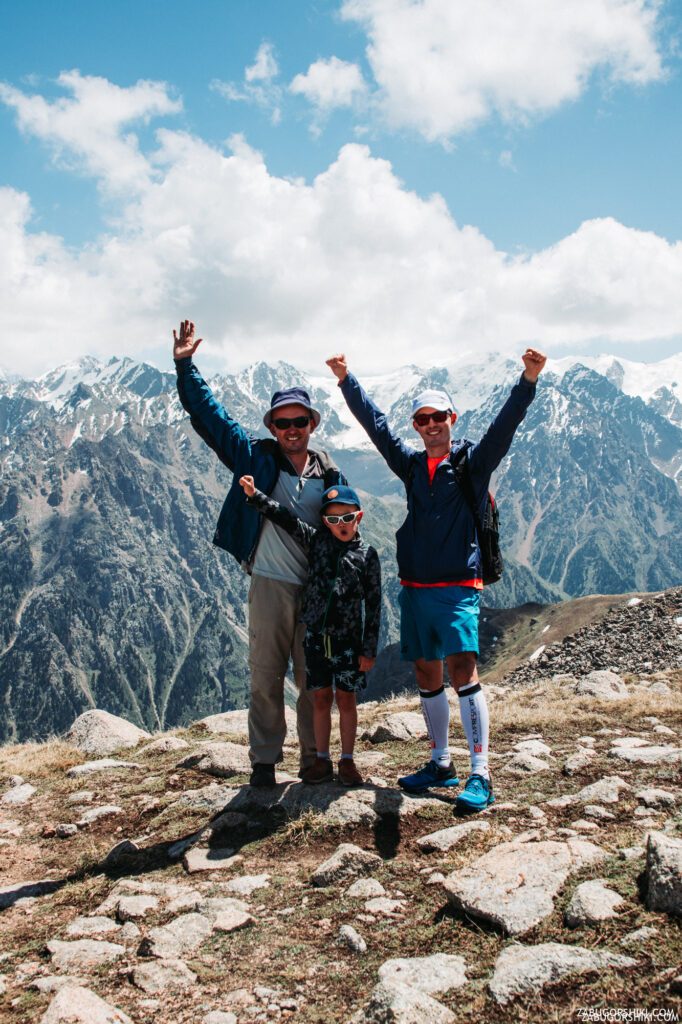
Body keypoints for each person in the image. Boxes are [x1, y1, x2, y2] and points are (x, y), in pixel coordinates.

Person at [326, 348, 547, 813]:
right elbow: (377, 428)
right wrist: (347, 381)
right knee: (427, 674)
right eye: (422, 419)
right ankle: (441, 762)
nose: (431, 425)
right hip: (416, 589)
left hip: (457, 589)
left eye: (438, 417)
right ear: (417, 425)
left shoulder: (472, 462)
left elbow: (503, 428)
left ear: (452, 417)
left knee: (463, 673)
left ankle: (481, 773)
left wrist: (527, 381)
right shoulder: (409, 466)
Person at [173, 320, 347, 787]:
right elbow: (211, 420)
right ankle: (264, 761)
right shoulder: (254, 458)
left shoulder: (328, 473)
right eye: (283, 423)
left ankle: (315, 758)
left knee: (313, 681)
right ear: (272, 427)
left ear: (312, 424)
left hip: (314, 592)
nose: (292, 429)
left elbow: (346, 529)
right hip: (269, 583)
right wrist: (185, 365)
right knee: (265, 676)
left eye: (300, 421)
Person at [238, 475, 381, 786]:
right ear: (324, 521)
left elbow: (374, 604)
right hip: (315, 638)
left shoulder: (367, 556)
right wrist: (254, 495)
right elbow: (286, 518)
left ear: (359, 517)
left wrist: (368, 649)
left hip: (348, 642)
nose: (341, 523)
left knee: (346, 699)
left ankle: (347, 761)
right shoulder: (317, 541)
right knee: (319, 699)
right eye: (333, 518)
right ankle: (321, 761)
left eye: (347, 517)